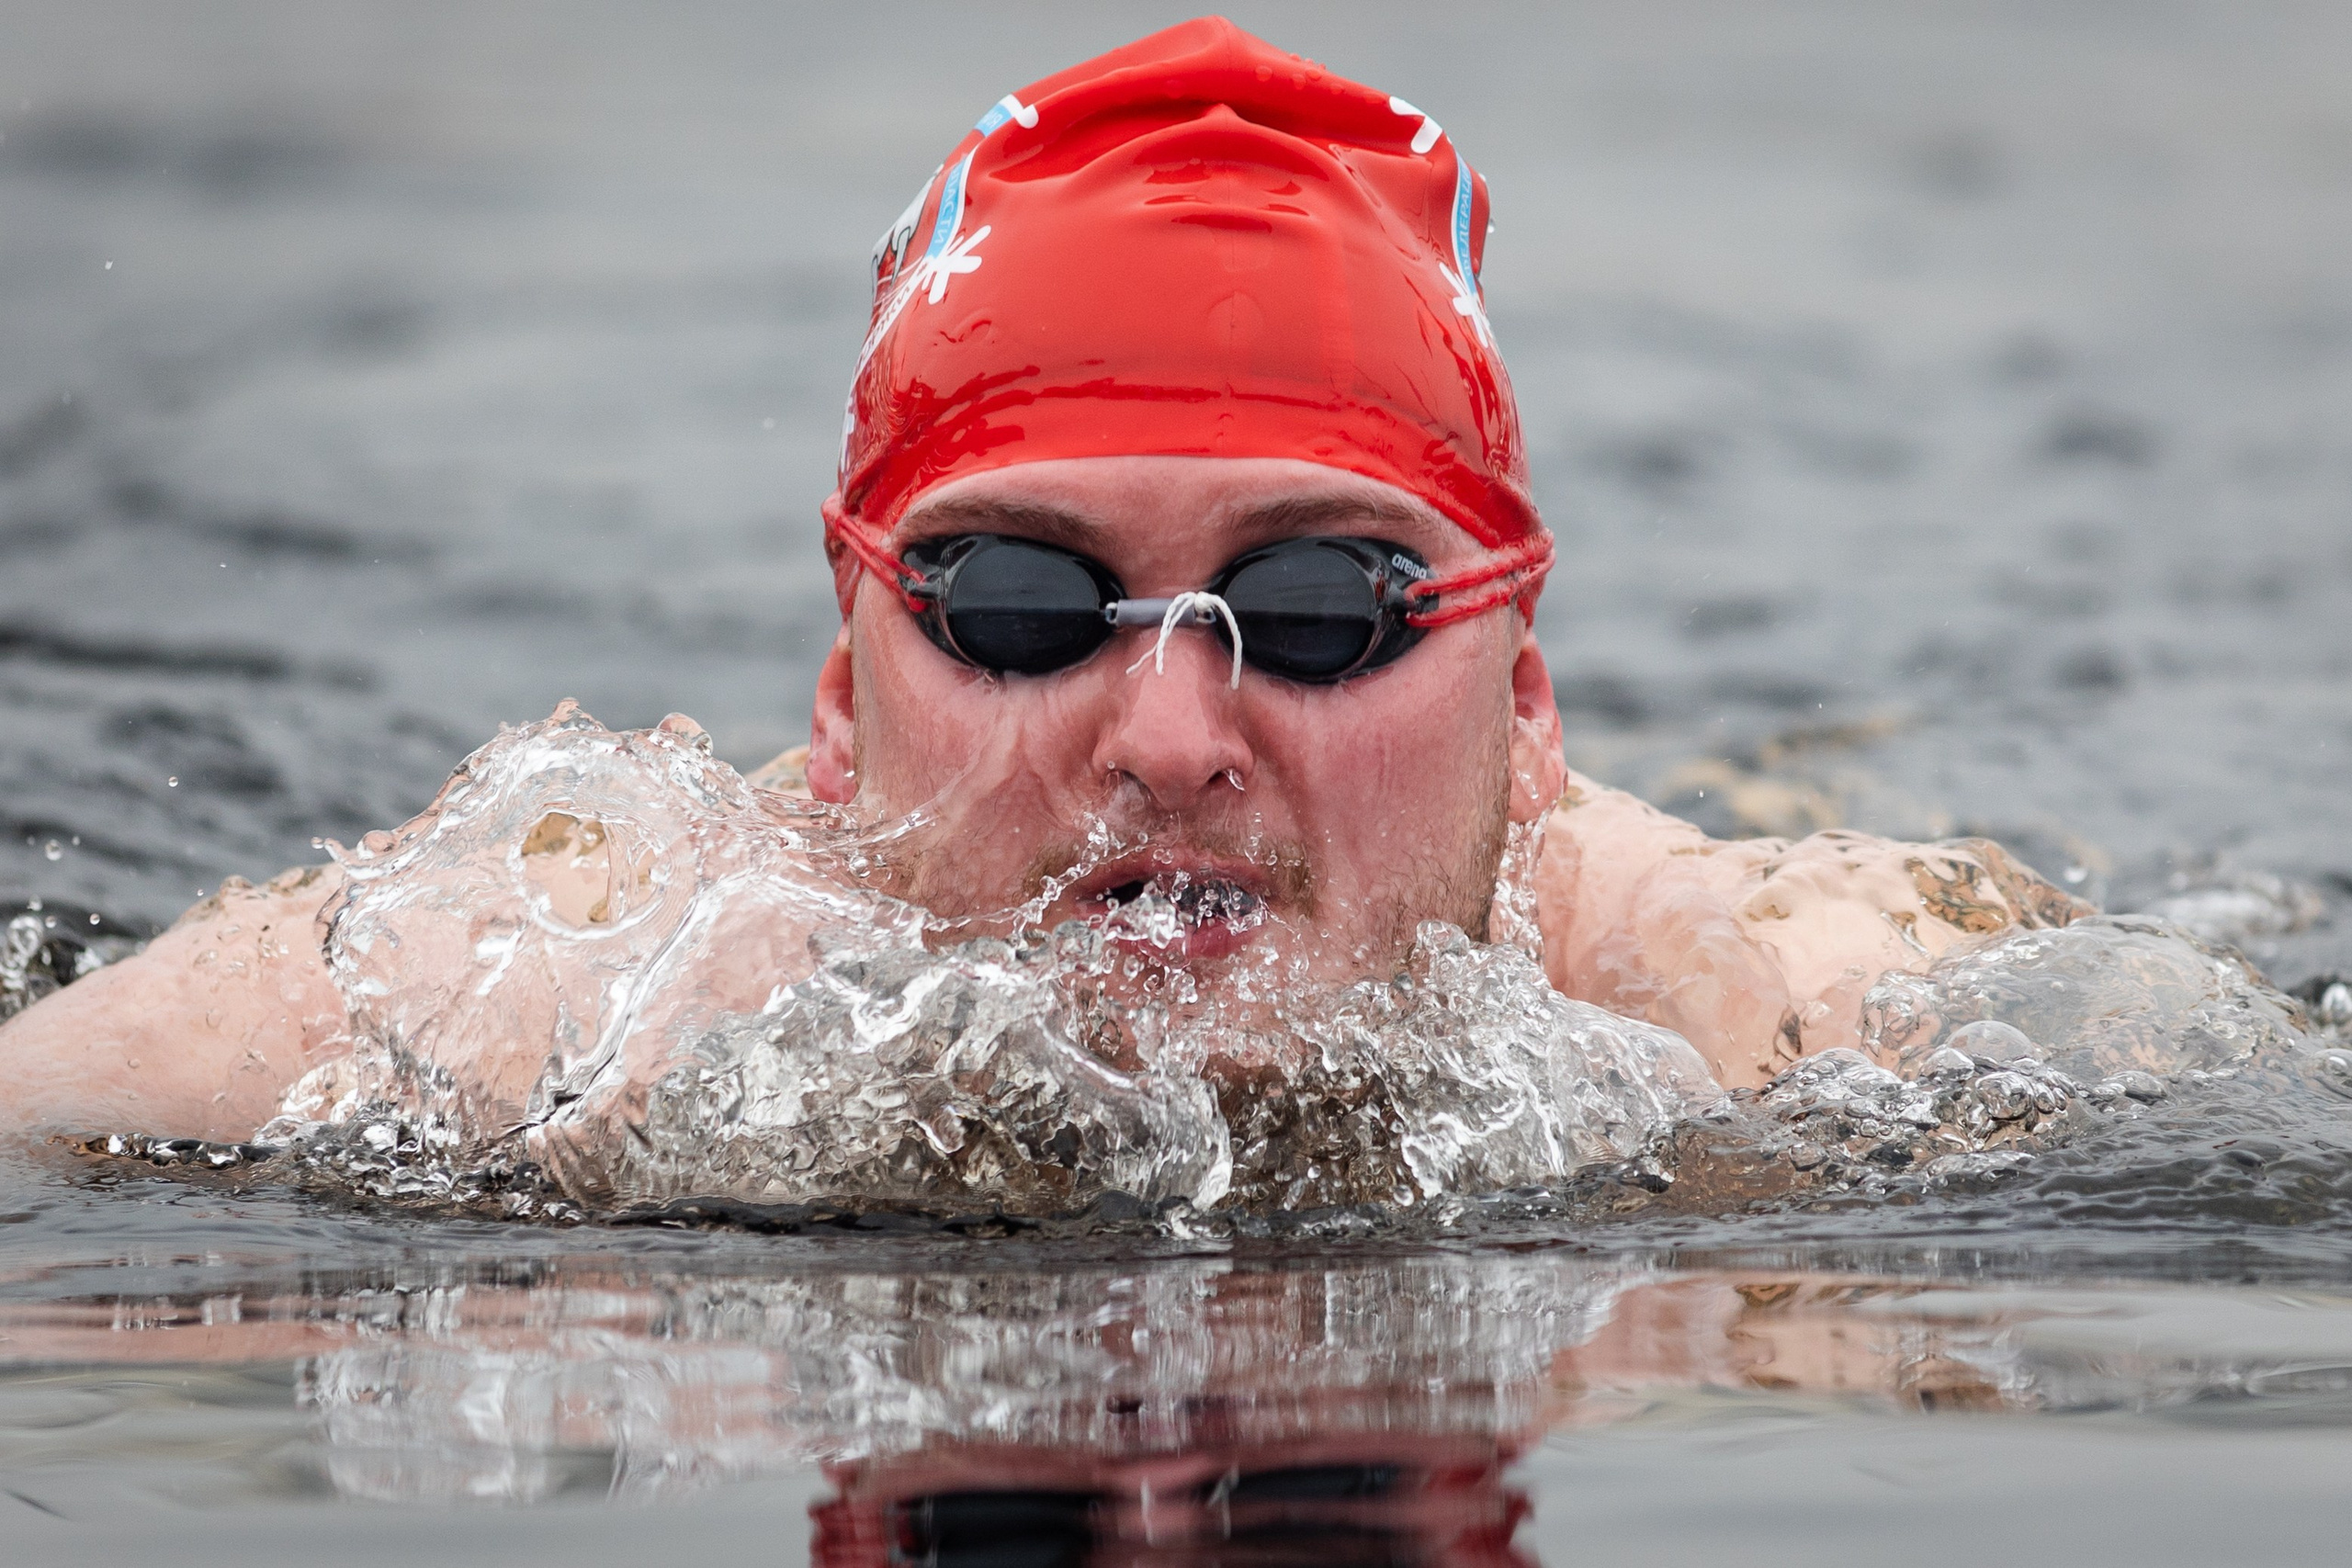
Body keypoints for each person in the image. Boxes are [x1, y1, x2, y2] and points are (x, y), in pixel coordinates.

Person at [0, 17, 2086, 1145]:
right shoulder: (532, 1001)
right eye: (1011, 597)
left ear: (1527, 711)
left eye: (1323, 607)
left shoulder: (1777, 1015)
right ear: (836, 706)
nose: (1168, 741)